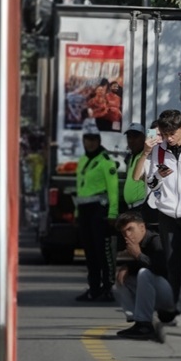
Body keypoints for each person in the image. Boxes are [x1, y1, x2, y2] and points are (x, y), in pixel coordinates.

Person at [135, 109, 181, 326]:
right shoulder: (159, 151)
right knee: (173, 261)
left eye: (172, 133)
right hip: (167, 213)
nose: (168, 138)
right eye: (165, 134)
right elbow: (149, 184)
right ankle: (177, 305)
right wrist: (155, 174)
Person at [74, 119, 119, 302]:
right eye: (87, 139)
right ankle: (93, 288)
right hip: (85, 211)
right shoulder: (83, 160)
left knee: (103, 252)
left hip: (100, 211)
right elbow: (79, 188)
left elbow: (113, 189)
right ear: (83, 140)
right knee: (90, 252)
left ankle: (107, 288)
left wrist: (113, 214)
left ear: (99, 141)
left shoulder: (105, 162)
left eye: (94, 139)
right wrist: (77, 214)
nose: (90, 142)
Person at [111, 211, 173, 339]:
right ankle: (137, 320)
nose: (127, 235)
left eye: (130, 229)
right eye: (124, 232)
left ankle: (145, 325)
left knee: (144, 274)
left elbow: (161, 269)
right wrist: (128, 267)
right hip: (159, 292)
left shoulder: (155, 241)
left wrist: (138, 255)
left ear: (142, 227)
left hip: (171, 295)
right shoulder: (138, 243)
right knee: (121, 279)